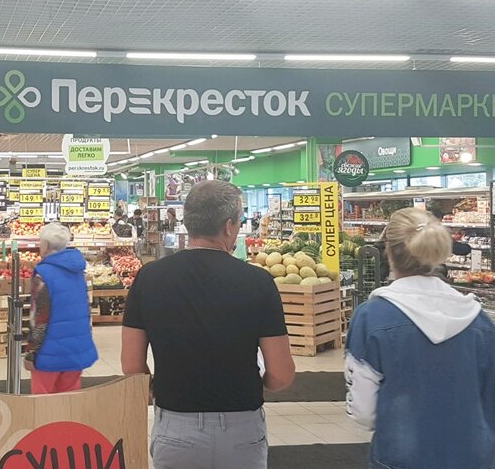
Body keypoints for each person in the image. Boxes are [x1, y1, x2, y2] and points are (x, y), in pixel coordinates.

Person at [121, 180, 294, 469]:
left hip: (175, 425)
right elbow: (282, 374)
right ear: (228, 226)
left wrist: (160, 390)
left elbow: (131, 365)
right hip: (241, 426)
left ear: (188, 222)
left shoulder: (149, 278)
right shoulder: (258, 282)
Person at [345, 208, 495, 469]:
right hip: (471, 456)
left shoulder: (372, 317)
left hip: (400, 457)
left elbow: (364, 413)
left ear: (389, 252)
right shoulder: (482, 323)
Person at [26, 223, 98, 394]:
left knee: (43, 403)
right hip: (75, 350)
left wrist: (31, 352)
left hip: (50, 353)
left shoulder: (43, 274)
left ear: (46, 245)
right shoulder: (78, 271)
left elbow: (39, 319)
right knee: (69, 402)